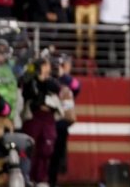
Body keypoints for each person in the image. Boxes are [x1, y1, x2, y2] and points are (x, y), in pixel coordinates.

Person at [20, 57, 62, 186]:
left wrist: (44, 78)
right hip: (33, 116)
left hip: (48, 118)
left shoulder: (52, 81)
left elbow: (55, 88)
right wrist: (33, 70)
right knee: (29, 148)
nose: (47, 67)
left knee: (46, 149)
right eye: (44, 65)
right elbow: (25, 88)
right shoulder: (30, 80)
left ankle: (41, 179)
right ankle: (27, 178)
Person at [49, 53, 80, 187]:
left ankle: (52, 181)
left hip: (62, 124)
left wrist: (63, 75)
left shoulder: (67, 80)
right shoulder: (49, 79)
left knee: (57, 156)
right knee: (46, 155)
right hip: (49, 122)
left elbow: (77, 87)